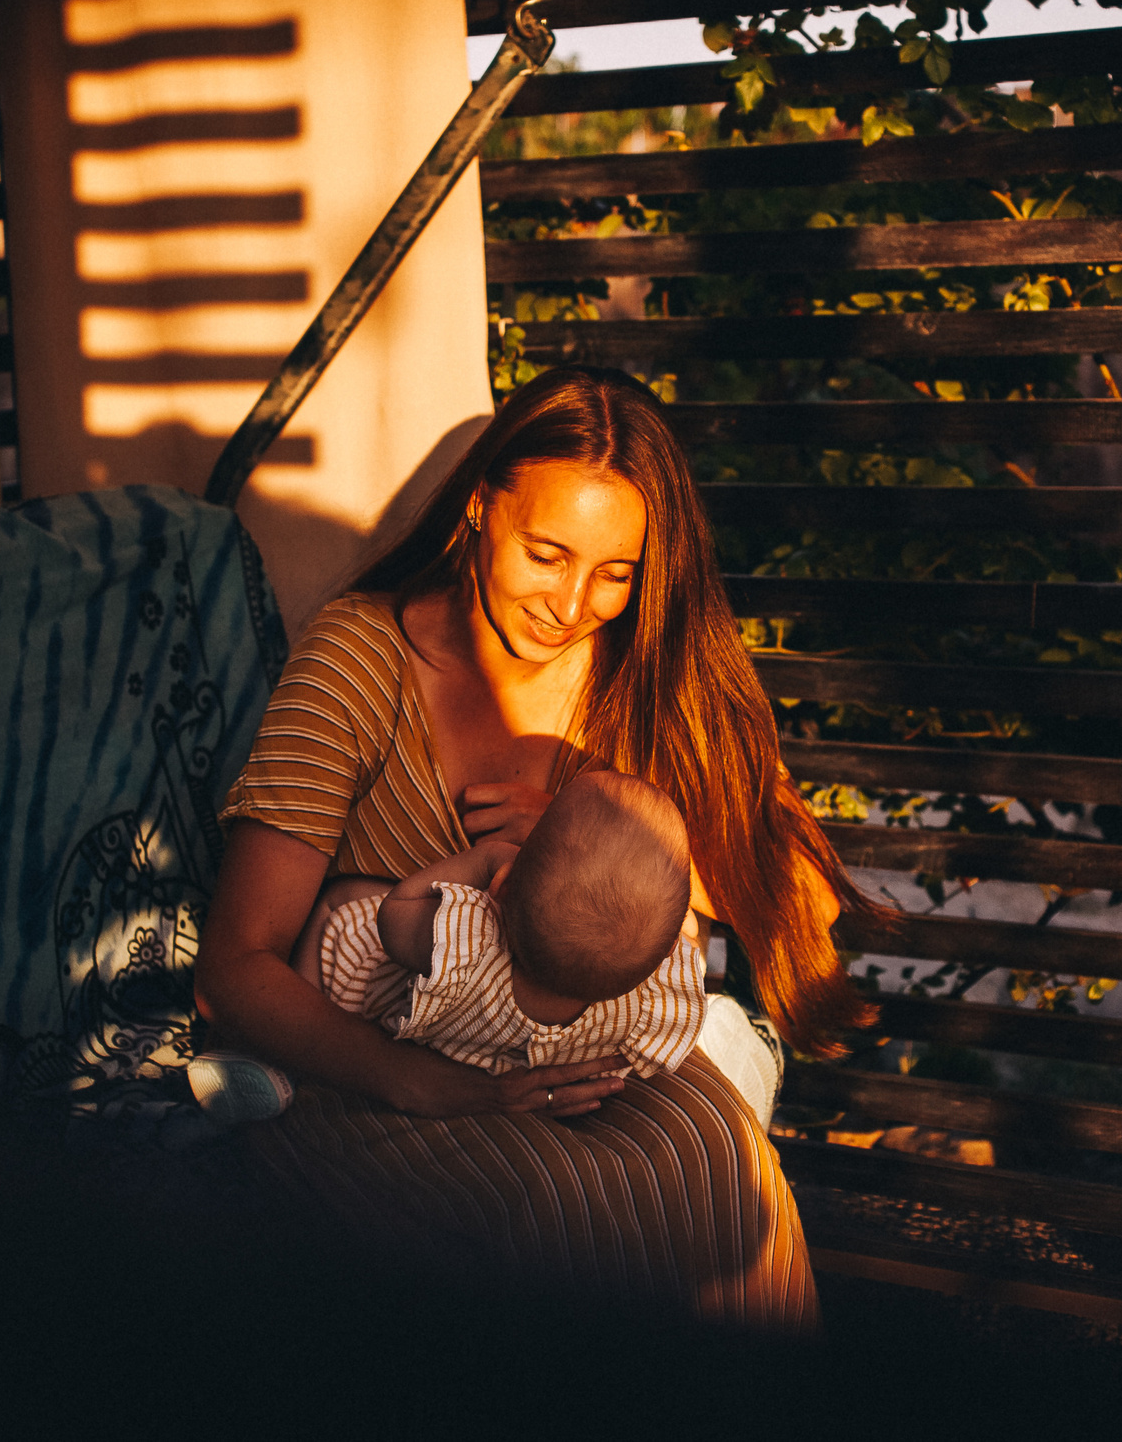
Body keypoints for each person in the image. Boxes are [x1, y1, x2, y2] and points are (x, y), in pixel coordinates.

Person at [194, 365, 879, 1329]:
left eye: (615, 573)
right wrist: (420, 1082)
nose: (572, 604)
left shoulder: (642, 671)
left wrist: (611, 849)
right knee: (558, 1212)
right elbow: (234, 967)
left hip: (575, 1064)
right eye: (546, 554)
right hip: (368, 1073)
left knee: (733, 1178)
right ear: (481, 505)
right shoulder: (361, 661)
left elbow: (803, 900)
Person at [191, 772, 709, 1123]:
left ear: (504, 886)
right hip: (495, 1067)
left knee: (341, 902)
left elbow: (394, 916)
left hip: (369, 1005)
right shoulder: (643, 1006)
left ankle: (273, 1063)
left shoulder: (466, 942)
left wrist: (485, 860)